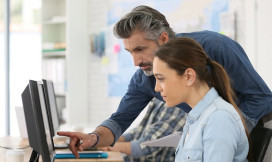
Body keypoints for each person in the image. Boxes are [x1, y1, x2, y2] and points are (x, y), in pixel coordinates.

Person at [57, 5, 272, 158]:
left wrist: (229, 131)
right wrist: (93, 138)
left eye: (140, 49)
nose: (136, 61)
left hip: (260, 126)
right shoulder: (144, 77)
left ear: (163, 39)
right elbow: (119, 121)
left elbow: (261, 98)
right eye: (130, 52)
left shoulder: (216, 47)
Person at [153, 37, 250, 161]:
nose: (156, 88)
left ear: (189, 77)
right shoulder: (196, 118)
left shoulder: (219, 118)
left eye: (161, 78)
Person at [99, 98, 186, 162]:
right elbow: (139, 131)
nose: (156, 88)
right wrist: (108, 139)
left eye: (160, 78)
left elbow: (147, 147)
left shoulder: (176, 106)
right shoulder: (158, 100)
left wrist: (108, 146)